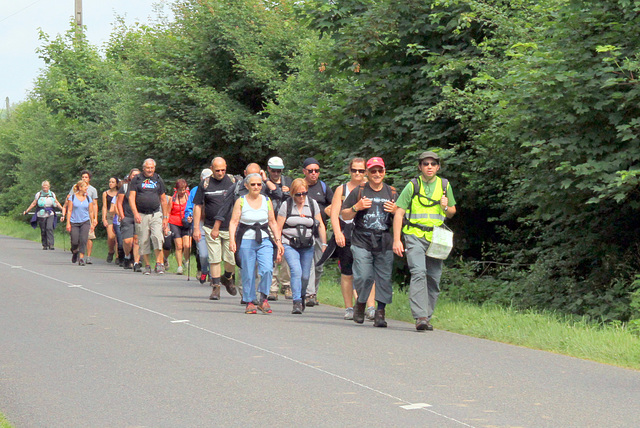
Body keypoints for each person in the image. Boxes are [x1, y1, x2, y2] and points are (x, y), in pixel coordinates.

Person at [393, 151, 457, 331]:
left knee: (434, 278)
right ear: (420, 167)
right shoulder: (413, 185)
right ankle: (420, 316)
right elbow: (399, 212)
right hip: (414, 235)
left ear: (438, 167)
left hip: (437, 238)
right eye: (426, 164)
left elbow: (451, 212)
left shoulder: (445, 185)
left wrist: (445, 206)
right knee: (419, 272)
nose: (429, 167)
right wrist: (397, 240)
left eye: (433, 164)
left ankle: (427, 317)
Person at [342, 157, 398, 327]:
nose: (376, 174)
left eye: (380, 170)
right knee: (364, 276)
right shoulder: (360, 191)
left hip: (384, 240)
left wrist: (397, 211)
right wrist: (356, 207)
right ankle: (361, 303)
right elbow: (344, 214)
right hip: (361, 239)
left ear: (384, 172)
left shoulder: (392, 192)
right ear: (367, 172)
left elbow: (402, 217)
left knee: (384, 278)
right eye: (373, 171)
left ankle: (380, 313)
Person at [328, 158, 376, 320]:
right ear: (350, 171)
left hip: (367, 233)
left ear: (366, 172)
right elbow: (335, 214)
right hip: (347, 232)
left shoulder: (371, 188)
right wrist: (337, 233)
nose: (357, 174)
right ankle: (349, 307)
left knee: (368, 272)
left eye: (361, 171)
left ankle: (371, 307)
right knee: (347, 272)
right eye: (354, 170)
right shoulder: (341, 190)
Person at [229, 173, 284, 314]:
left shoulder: (266, 200)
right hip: (246, 239)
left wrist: (278, 242)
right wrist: (232, 240)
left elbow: (272, 222)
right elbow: (234, 222)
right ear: (246, 186)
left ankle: (263, 299)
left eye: (259, 184)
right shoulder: (241, 201)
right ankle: (249, 301)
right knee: (247, 271)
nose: (256, 187)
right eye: (253, 184)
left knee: (267, 269)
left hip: (264, 239)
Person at [277, 178, 327, 314]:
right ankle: (297, 301)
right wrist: (278, 244)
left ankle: (303, 294)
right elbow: (278, 227)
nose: (301, 197)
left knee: (305, 276)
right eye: (298, 194)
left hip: (307, 244)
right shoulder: (286, 205)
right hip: (289, 243)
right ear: (292, 193)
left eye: (304, 193)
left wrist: (324, 243)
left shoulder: (312, 204)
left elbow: (320, 224)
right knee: (296, 271)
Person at [193, 157, 238, 300]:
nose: (220, 173)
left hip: (229, 227)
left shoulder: (233, 181)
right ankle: (215, 287)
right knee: (214, 258)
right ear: (212, 169)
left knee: (231, 259)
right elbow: (198, 206)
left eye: (223, 170)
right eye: (217, 170)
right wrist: (196, 228)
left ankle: (228, 278)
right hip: (210, 226)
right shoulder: (205, 184)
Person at [302, 157, 333, 307]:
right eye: (310, 171)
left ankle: (314, 292)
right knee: (308, 265)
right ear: (304, 172)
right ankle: (309, 294)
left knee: (319, 265)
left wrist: (328, 211)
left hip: (320, 231)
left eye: (316, 171)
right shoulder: (300, 187)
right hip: (303, 232)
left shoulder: (324, 187)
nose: (314, 173)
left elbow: (333, 206)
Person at [129, 159, 169, 275]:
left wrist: (165, 217)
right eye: (148, 168)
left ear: (154, 168)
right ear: (143, 168)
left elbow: (163, 199)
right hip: (141, 214)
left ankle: (159, 263)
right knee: (143, 239)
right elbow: (132, 198)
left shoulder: (158, 179)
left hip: (155, 213)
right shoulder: (137, 179)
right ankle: (147, 265)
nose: (150, 170)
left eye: (152, 168)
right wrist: (135, 213)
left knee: (157, 237)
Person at [264, 156, 293, 300]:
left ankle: (286, 285)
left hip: (287, 223)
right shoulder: (263, 185)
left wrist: (288, 193)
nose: (276, 173)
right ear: (268, 169)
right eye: (274, 171)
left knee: (286, 255)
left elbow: (294, 200)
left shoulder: (288, 182)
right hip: (270, 222)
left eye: (279, 171)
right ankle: (272, 287)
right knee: (272, 255)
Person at [63, 170, 98, 264]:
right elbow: (69, 210)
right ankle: (75, 251)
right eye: (85, 187)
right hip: (74, 221)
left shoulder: (88, 198)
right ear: (80, 188)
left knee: (83, 240)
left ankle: (81, 258)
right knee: (74, 241)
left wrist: (93, 221)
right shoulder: (72, 198)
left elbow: (90, 211)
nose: (86, 189)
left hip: (85, 221)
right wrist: (68, 223)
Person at [185, 168, 213, 283]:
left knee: (213, 253)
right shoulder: (195, 191)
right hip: (200, 224)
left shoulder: (216, 189)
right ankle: (204, 270)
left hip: (212, 224)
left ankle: (213, 275)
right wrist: (189, 215)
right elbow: (190, 207)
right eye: (205, 178)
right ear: (201, 179)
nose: (207, 181)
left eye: (209, 178)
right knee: (203, 254)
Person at [23, 181, 64, 250]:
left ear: (49, 187)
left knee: (49, 228)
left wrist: (63, 210)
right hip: (41, 214)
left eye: (46, 187)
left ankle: (51, 244)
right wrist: (27, 211)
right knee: (43, 229)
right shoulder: (39, 194)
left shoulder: (52, 194)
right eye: (44, 187)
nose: (45, 189)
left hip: (50, 213)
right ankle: (45, 244)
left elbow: (56, 202)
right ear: (42, 187)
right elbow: (34, 203)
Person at [117, 168, 141, 271]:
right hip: (127, 216)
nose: (135, 177)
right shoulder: (125, 187)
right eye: (133, 175)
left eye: (137, 175)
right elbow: (119, 202)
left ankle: (136, 262)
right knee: (127, 241)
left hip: (139, 217)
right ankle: (127, 256)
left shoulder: (142, 188)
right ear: (130, 176)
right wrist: (122, 215)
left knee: (137, 240)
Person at [166, 179, 191, 275]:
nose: (182, 192)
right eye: (180, 190)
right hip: (174, 223)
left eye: (183, 189)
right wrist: (166, 225)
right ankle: (180, 267)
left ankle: (186, 260)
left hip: (186, 223)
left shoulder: (189, 197)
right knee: (179, 246)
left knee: (187, 245)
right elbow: (168, 213)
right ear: (176, 189)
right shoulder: (172, 199)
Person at [102, 176, 120, 263]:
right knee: (111, 236)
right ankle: (111, 251)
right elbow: (104, 206)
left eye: (112, 182)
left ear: (116, 183)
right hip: (109, 214)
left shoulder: (119, 193)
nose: (110, 183)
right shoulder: (105, 193)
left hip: (117, 214)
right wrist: (104, 218)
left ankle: (118, 256)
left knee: (118, 236)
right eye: (109, 182)